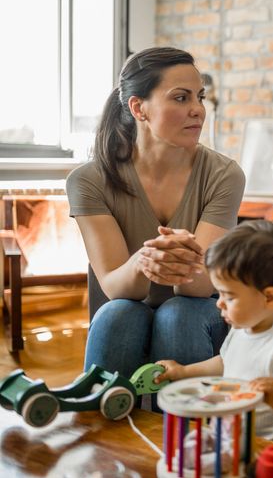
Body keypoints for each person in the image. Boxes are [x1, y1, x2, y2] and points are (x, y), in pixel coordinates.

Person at [66, 47, 245, 381]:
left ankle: (186, 416)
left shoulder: (224, 175)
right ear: (139, 108)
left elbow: (200, 287)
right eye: (180, 98)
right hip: (124, 304)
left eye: (199, 97)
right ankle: (104, 412)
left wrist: (173, 260)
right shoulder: (88, 181)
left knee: (179, 314)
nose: (198, 109)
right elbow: (117, 287)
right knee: (118, 314)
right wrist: (145, 260)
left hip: (196, 307)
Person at [155, 220, 273, 443]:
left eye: (229, 296)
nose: (219, 303)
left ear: (270, 298)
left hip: (267, 445)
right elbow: (225, 361)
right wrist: (183, 371)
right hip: (230, 437)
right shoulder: (243, 328)